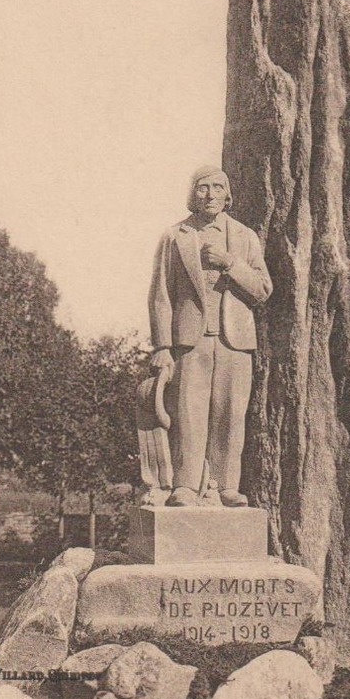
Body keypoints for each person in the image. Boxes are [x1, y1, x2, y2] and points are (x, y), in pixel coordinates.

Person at [148, 166, 272, 507]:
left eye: (218, 187)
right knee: (188, 413)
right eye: (203, 187)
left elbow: (263, 289)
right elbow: (161, 295)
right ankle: (186, 486)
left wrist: (231, 263)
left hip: (235, 341)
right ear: (193, 193)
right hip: (190, 340)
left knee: (231, 415)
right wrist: (162, 346)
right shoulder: (175, 236)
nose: (210, 194)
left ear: (227, 194)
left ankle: (226, 485)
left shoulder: (245, 237)